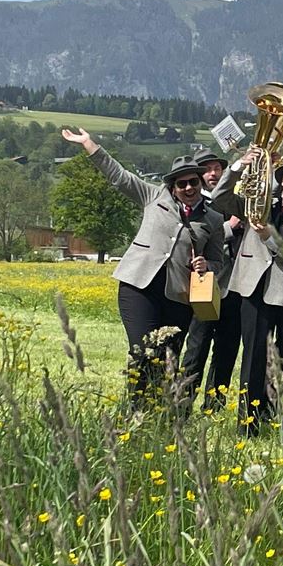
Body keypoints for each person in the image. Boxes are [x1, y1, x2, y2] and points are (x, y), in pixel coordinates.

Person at [60, 128, 224, 404]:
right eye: (182, 184)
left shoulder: (214, 219)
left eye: (193, 182)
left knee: (165, 360)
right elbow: (119, 177)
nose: (188, 188)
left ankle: (157, 417)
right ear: (172, 186)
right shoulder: (153, 196)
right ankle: (136, 412)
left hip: (179, 296)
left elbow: (220, 262)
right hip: (139, 287)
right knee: (142, 352)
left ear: (200, 182)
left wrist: (207, 265)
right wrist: (90, 144)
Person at [212, 151, 283, 435]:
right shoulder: (257, 203)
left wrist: (269, 237)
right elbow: (219, 198)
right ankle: (247, 423)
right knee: (253, 358)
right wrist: (239, 167)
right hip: (252, 288)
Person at [180, 148, 244, 412]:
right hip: (205, 287)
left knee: (227, 352)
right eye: (207, 170)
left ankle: (213, 407)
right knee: (196, 348)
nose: (213, 174)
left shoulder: (235, 201)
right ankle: (182, 405)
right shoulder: (194, 206)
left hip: (235, 287)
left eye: (217, 168)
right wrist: (229, 227)